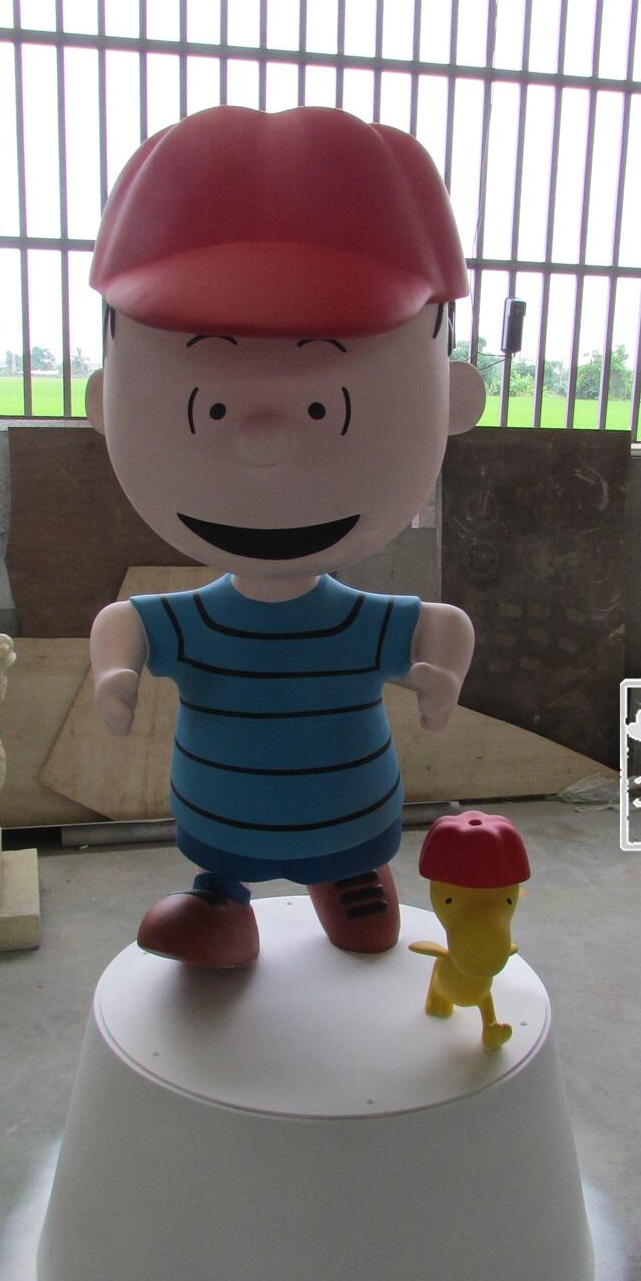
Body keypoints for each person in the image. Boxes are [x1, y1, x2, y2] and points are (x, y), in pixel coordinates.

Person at [86, 105, 485, 967]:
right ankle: (220, 900)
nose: (263, 445)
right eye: (210, 407)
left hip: (350, 821)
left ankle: (349, 880)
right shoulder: (197, 619)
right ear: (101, 405)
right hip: (219, 823)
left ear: (456, 400)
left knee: (364, 912)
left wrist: (442, 676)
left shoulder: (357, 622)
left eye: (323, 407)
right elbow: (125, 624)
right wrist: (115, 672)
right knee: (228, 876)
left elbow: (441, 625)